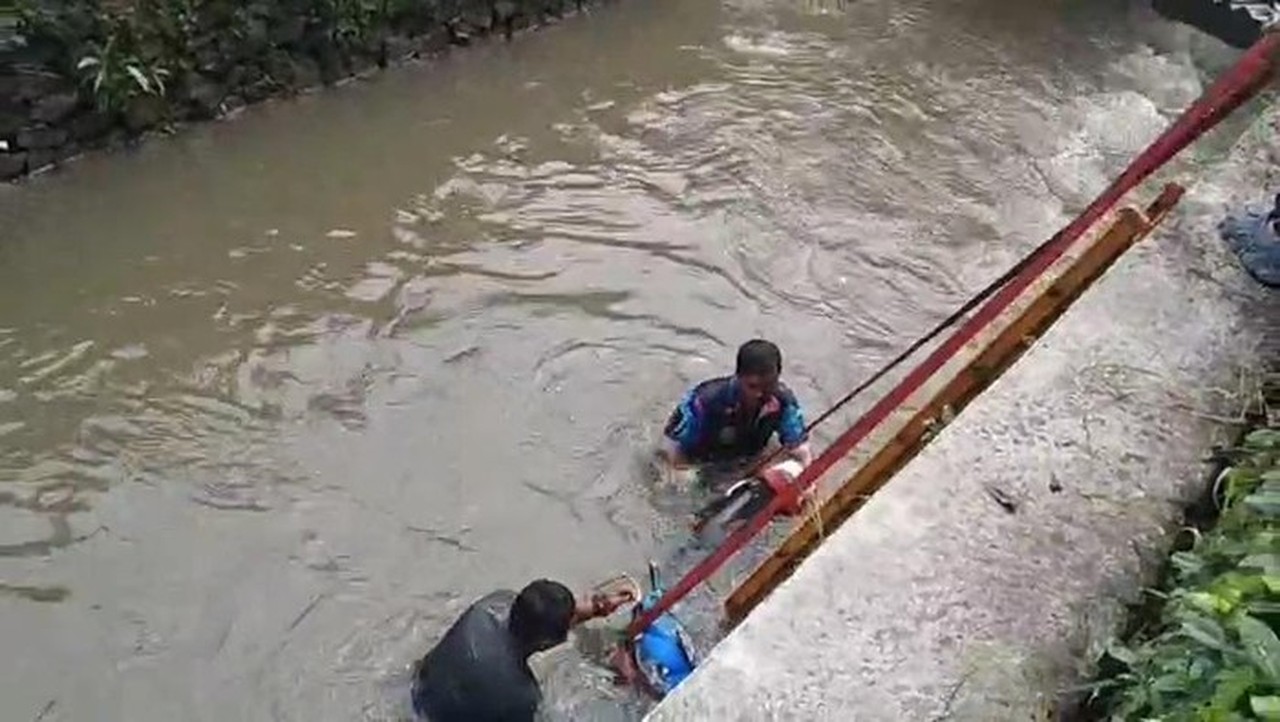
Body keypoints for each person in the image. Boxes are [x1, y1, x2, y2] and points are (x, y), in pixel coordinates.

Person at [411, 579, 635, 722]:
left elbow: (535, 611)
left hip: (418, 689)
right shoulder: (520, 696)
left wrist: (596, 608)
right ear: (547, 644)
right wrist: (625, 685)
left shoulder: (490, 606)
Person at [659, 339, 812, 486]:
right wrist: (683, 477)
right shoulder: (704, 401)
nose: (760, 394)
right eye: (752, 386)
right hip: (700, 463)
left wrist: (807, 480)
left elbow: (800, 449)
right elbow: (671, 446)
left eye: (768, 385)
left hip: (748, 459)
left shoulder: (783, 401)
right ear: (738, 377)